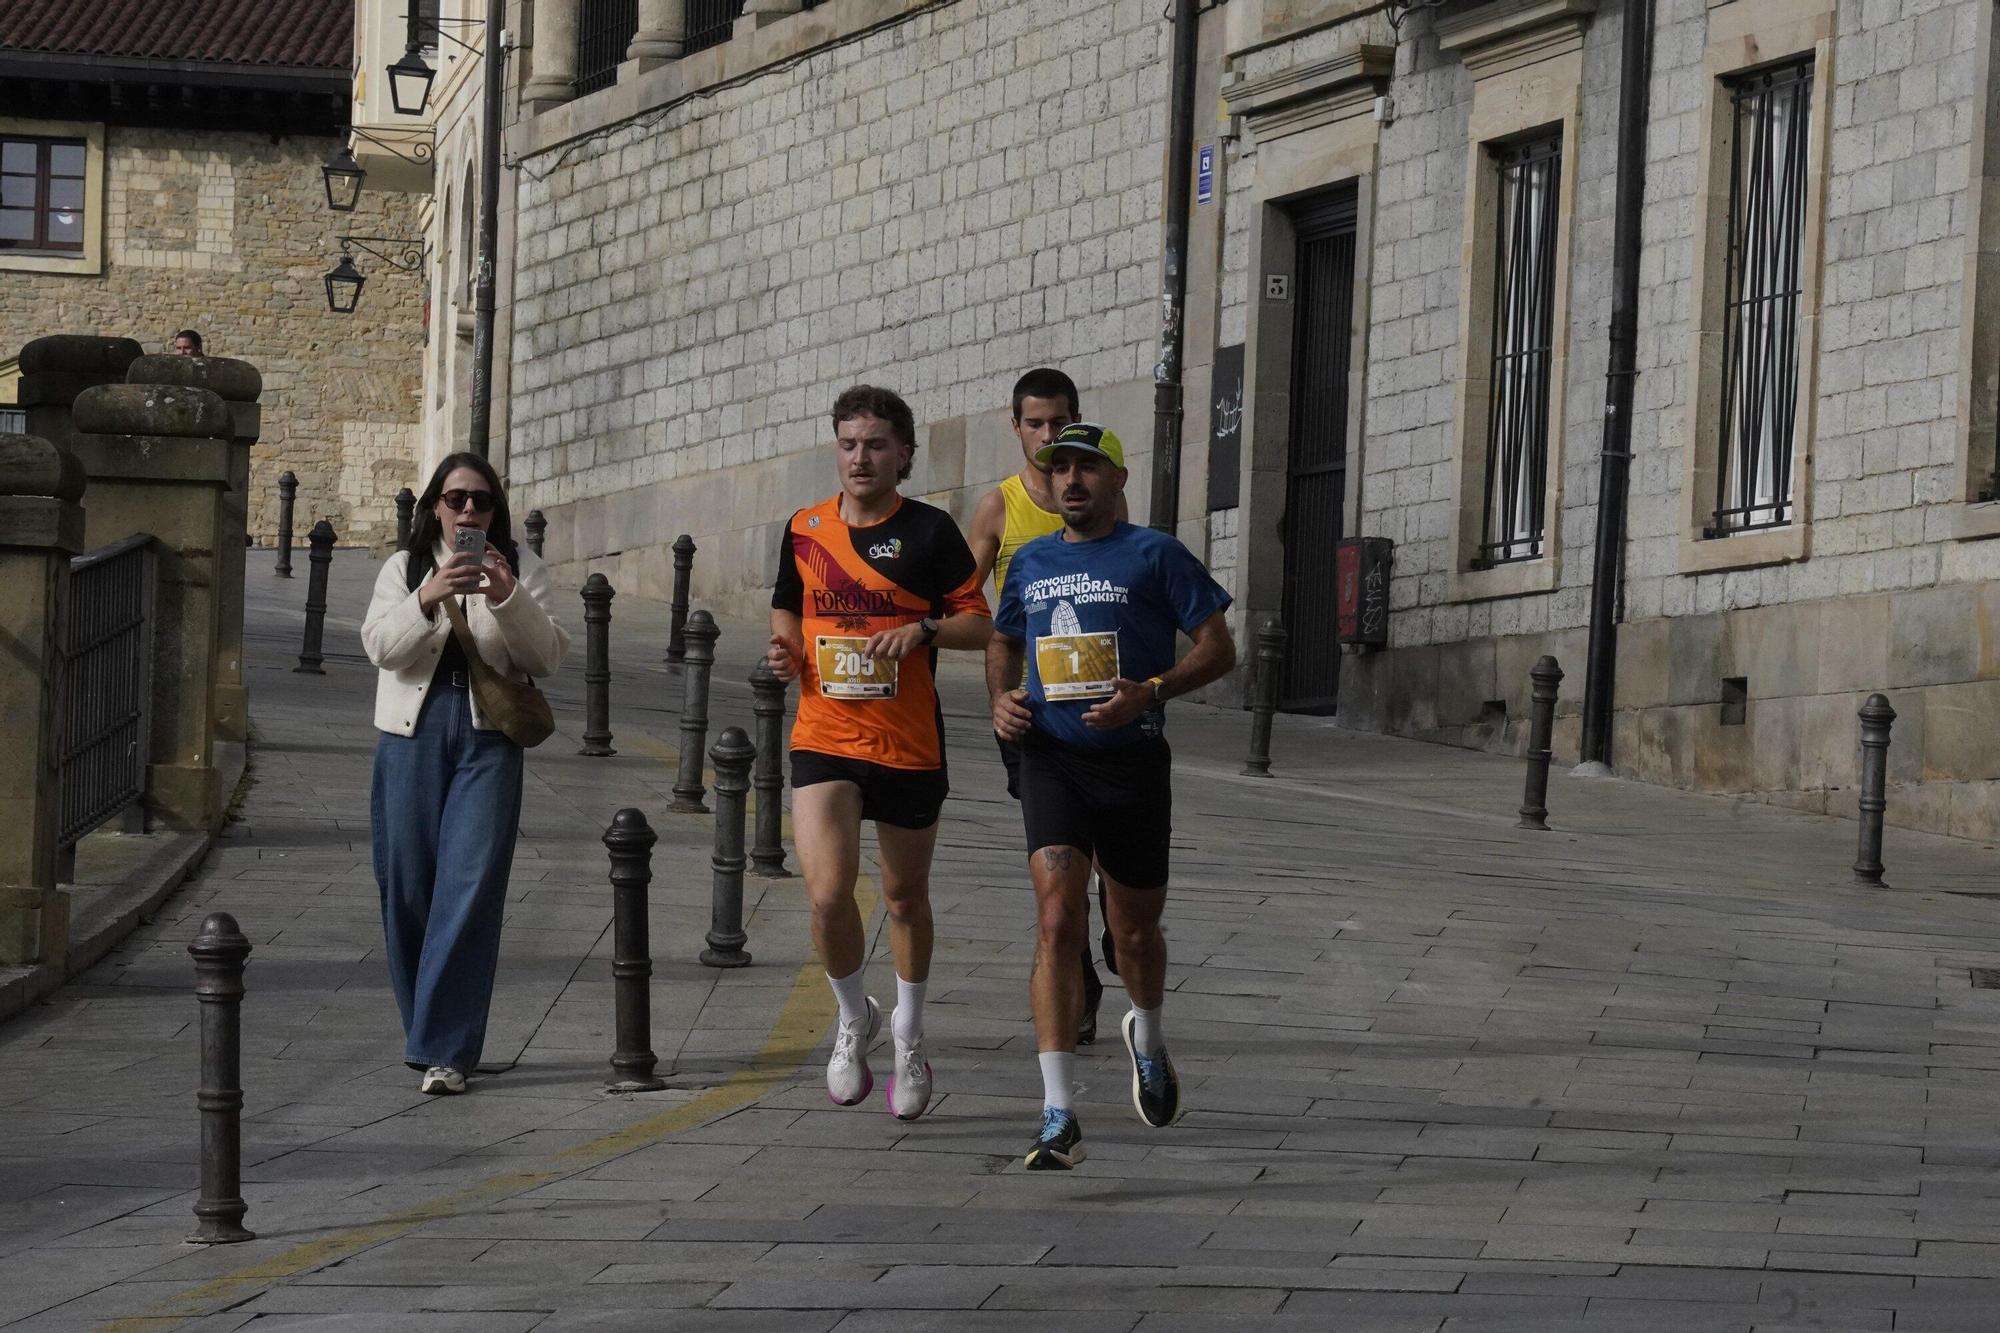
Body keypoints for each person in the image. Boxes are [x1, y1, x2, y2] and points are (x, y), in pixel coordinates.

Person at [988, 422, 1236, 1170]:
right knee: (1057, 917)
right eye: (1059, 467)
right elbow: (1003, 637)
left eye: (1088, 469)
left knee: (1133, 935)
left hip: (1131, 762)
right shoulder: (1028, 561)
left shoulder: (1155, 553)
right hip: (1052, 756)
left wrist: (1150, 692)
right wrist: (1000, 700)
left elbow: (1219, 648)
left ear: (1119, 479)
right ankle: (1059, 1112)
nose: (1071, 480)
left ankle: (1149, 1038)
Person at [766, 385, 992, 1121]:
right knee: (828, 895)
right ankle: (852, 1015)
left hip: (907, 743)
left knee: (903, 896)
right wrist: (785, 647)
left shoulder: (929, 532)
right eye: (848, 443)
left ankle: (910, 1033)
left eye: (875, 444)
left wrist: (924, 631)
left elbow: (977, 625)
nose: (860, 457)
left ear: (903, 454)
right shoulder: (804, 528)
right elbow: (787, 604)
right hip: (824, 736)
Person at [361, 452, 570, 1095]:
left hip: (489, 737)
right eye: (457, 501)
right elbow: (380, 650)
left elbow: (548, 656)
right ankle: (428, 1032)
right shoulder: (403, 569)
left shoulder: (522, 571)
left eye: (482, 501)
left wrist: (506, 597)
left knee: (471, 884)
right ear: (435, 509)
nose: (470, 512)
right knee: (407, 887)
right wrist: (429, 595)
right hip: (410, 734)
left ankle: (446, 1049)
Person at [966, 368, 1122, 1044]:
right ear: (1016, 427)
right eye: (1035, 423)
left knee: (1104, 848)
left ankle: (1121, 923)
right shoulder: (999, 506)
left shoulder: (1093, 498)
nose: (1048, 436)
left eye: (1059, 422)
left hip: (1100, 710)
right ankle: (1078, 976)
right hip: (1030, 715)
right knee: (1060, 861)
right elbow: (964, 600)